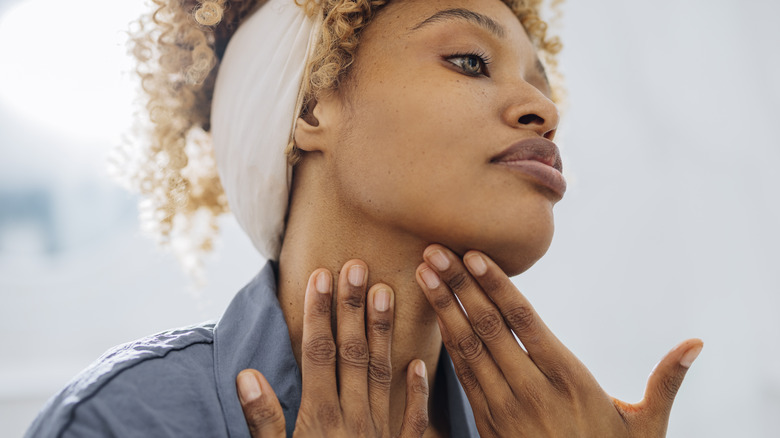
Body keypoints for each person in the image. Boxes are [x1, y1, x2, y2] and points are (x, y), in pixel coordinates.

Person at [25, 0, 703, 437]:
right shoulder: (127, 421)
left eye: (540, 84)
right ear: (311, 110)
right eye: (470, 61)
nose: (543, 111)